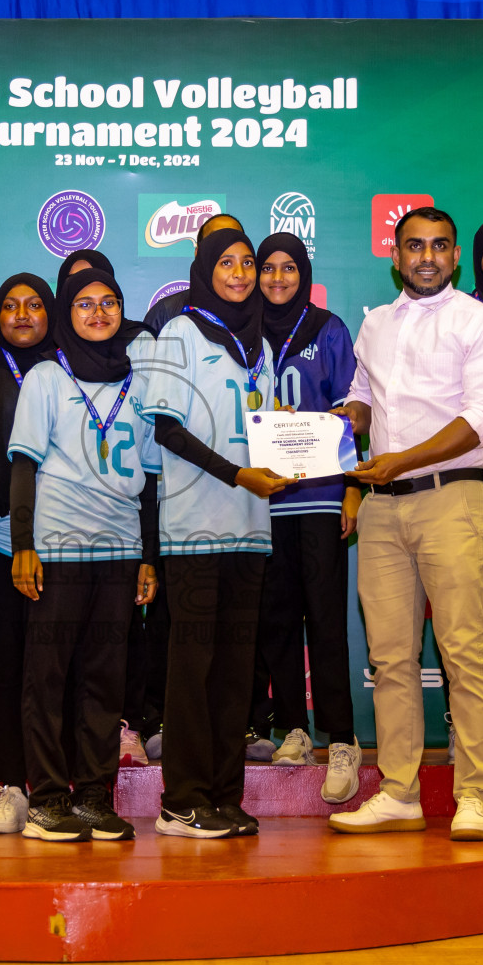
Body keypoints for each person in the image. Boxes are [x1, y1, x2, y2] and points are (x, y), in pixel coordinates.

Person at [327, 205, 483, 841]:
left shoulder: (481, 322)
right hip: (381, 508)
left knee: (464, 651)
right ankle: (401, 790)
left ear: (455, 256)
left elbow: (481, 420)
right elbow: (363, 397)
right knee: (391, 657)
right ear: (395, 256)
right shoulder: (375, 323)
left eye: (438, 246)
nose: (426, 257)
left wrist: (398, 459)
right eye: (414, 246)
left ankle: (473, 796)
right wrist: (328, 426)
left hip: (450, 499)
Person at [143, 227, 287, 838]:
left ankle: (224, 796)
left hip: (251, 529)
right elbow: (166, 430)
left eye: (247, 263)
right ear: (204, 269)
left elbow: (270, 429)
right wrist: (238, 474)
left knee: (234, 672)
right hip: (194, 527)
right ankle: (182, 799)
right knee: (193, 669)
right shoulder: (177, 332)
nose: (239, 272)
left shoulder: (261, 345)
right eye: (225, 263)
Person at [9, 269, 161, 841]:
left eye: (110, 303)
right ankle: (48, 799)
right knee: (46, 680)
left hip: (120, 551)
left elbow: (148, 477)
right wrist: (23, 546)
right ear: (65, 313)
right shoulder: (46, 376)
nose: (98, 313)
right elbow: (23, 465)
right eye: (84, 304)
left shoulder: (139, 380)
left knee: (104, 681)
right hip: (58, 547)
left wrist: (148, 556)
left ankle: (95, 796)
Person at [245, 232, 362, 805]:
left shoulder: (328, 329)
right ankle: (292, 727)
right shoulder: (241, 335)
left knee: (325, 618)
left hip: (318, 495)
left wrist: (354, 490)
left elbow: (353, 410)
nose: (277, 278)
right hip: (264, 498)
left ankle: (342, 737)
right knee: (277, 618)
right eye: (268, 268)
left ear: (305, 272)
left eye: (289, 268)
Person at [0, 272, 56, 835]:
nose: (22, 314)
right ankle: (11, 786)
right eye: (10, 306)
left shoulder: (73, 371)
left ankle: (60, 783)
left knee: (56, 671)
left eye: (33, 305)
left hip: (68, 540)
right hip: (2, 541)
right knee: (5, 668)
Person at [142, 213, 246, 333]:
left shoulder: (262, 312)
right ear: (198, 253)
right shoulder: (166, 312)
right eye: (215, 241)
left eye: (232, 240)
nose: (225, 248)